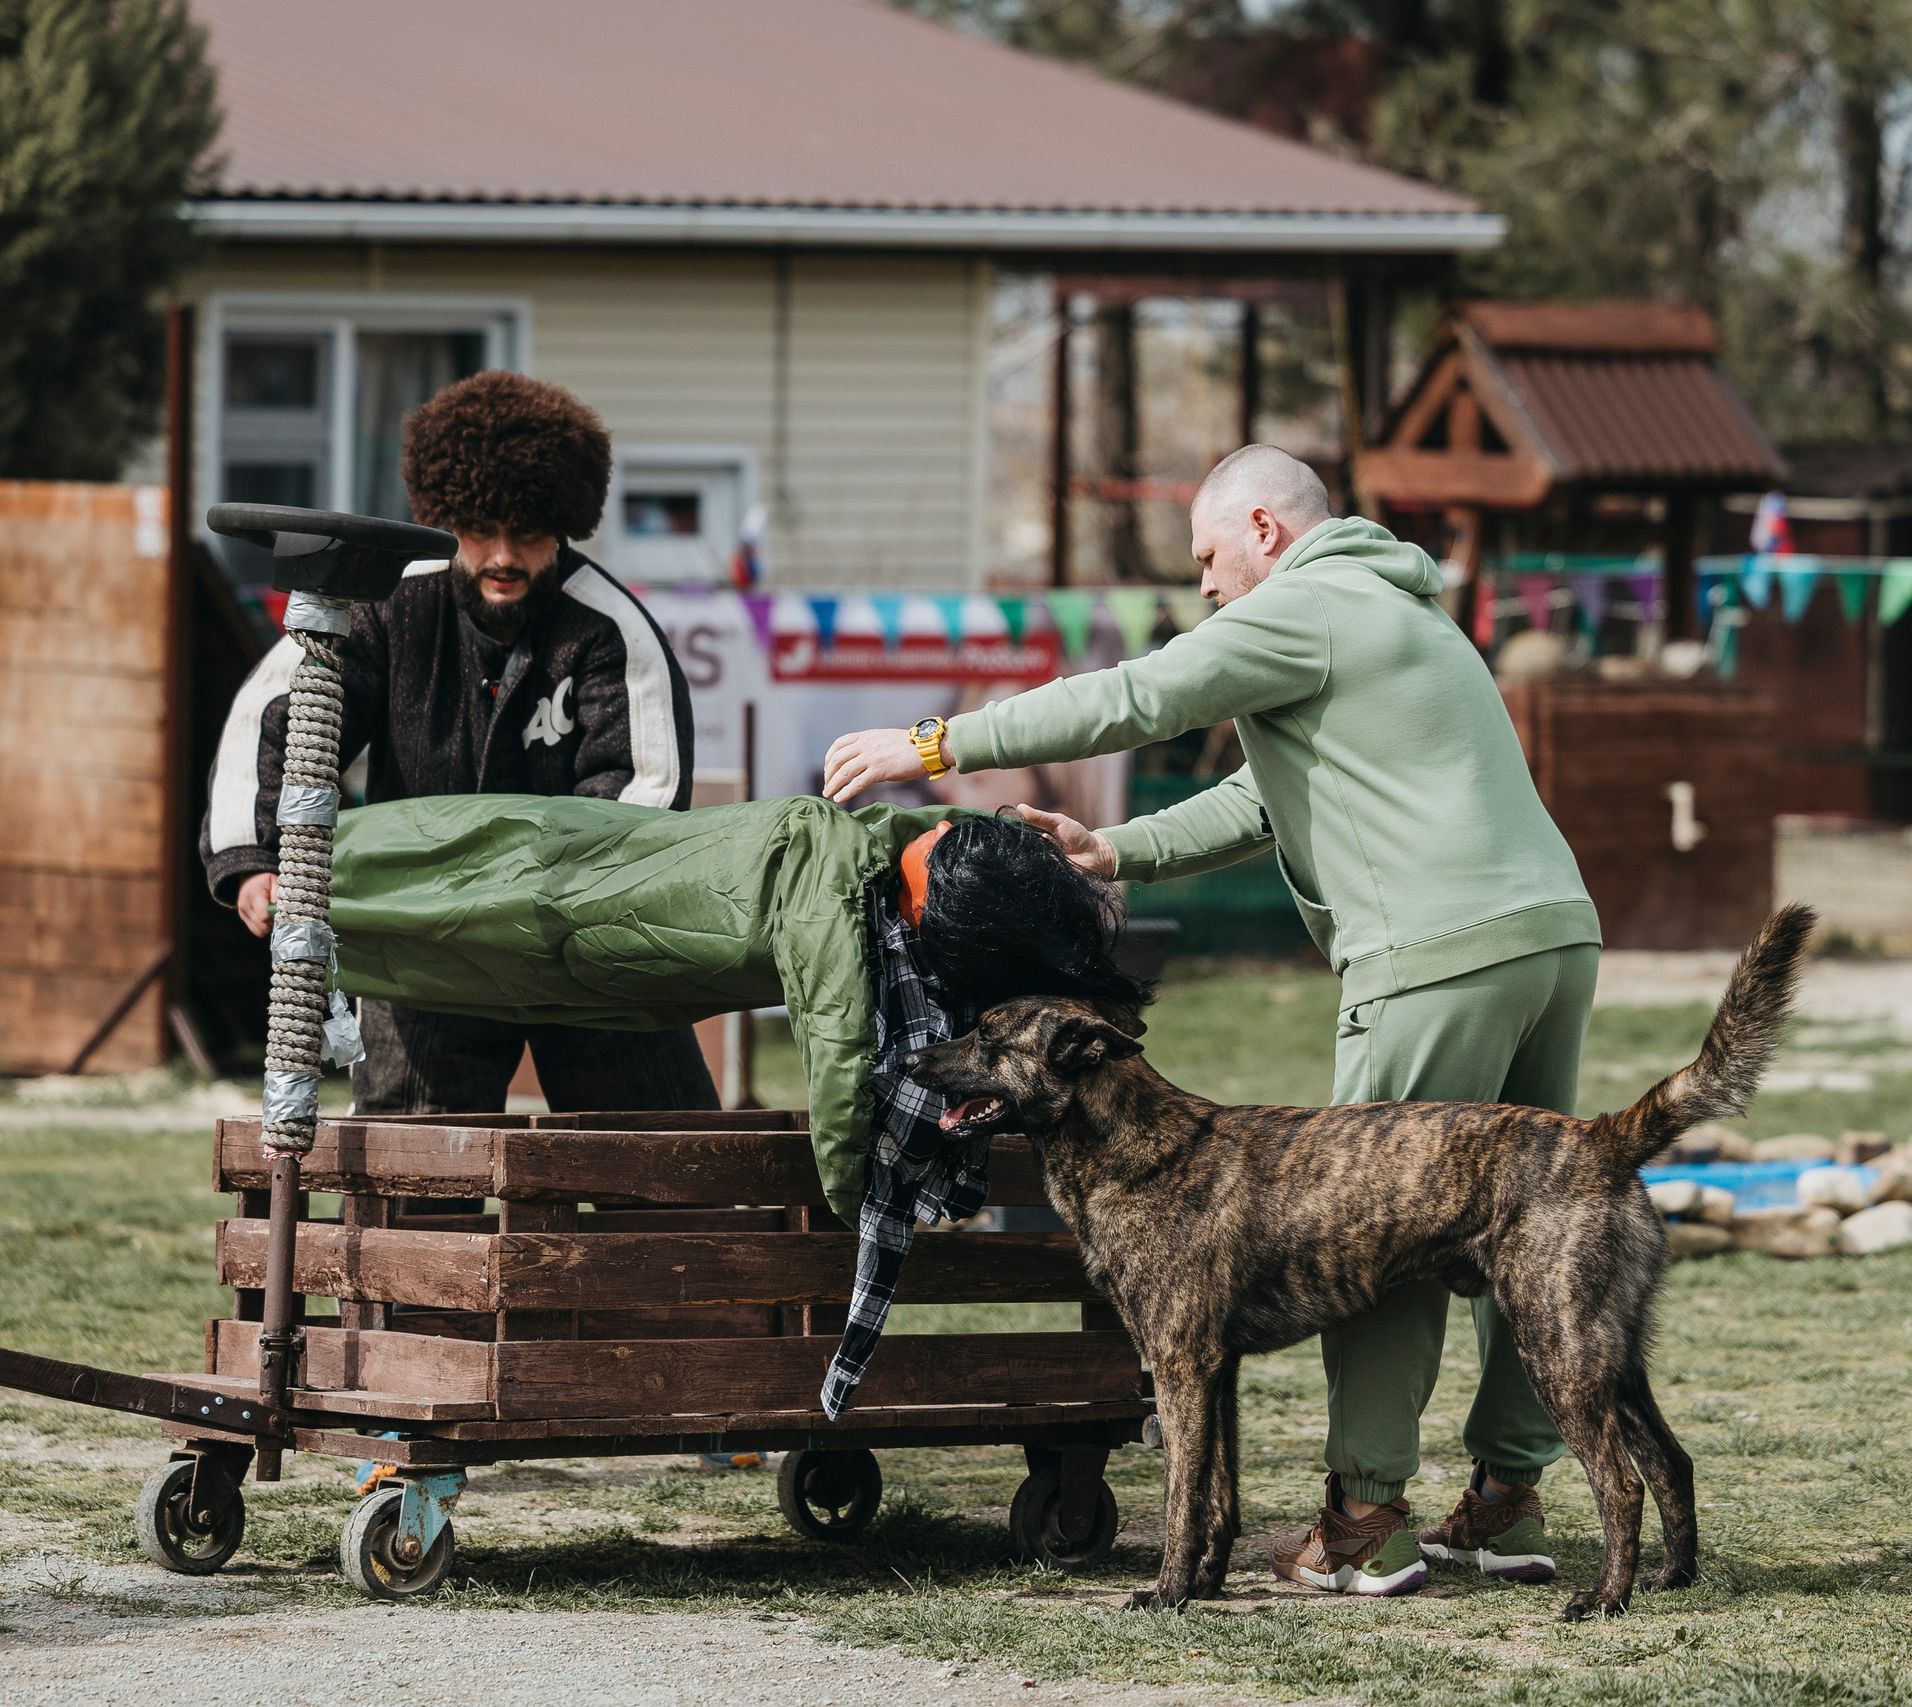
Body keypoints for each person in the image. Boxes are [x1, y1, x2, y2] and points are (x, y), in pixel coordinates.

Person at [820, 445, 1601, 1599]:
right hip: (1552, 937)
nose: (1204, 588)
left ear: (1265, 530)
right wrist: (1114, 849)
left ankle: (1362, 1520)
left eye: (1206, 559)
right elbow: (1260, 798)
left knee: (1382, 1236)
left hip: (1433, 956)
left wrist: (937, 746)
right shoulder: (1397, 608)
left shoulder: (1309, 602)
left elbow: (1141, 694)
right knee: (1530, 1220)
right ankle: (1502, 1495)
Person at [319, 795, 1150, 1406]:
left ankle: (326, 877)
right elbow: (839, 1059)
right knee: (459, 905)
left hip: (596, 901)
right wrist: (846, 1193)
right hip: (572, 909)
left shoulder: (900, 841)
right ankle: (320, 877)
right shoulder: (830, 898)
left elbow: (969, 838)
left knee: (463, 889)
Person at [200, 369, 717, 1118]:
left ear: (565, 525)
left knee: (659, 1162)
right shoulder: (384, 603)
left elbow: (645, 803)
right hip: (425, 946)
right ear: (447, 516)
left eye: (528, 532)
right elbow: (279, 715)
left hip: (582, 939)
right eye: (480, 529)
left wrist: (542, 906)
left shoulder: (612, 632)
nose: (502, 556)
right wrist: (253, 858)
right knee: (409, 1182)